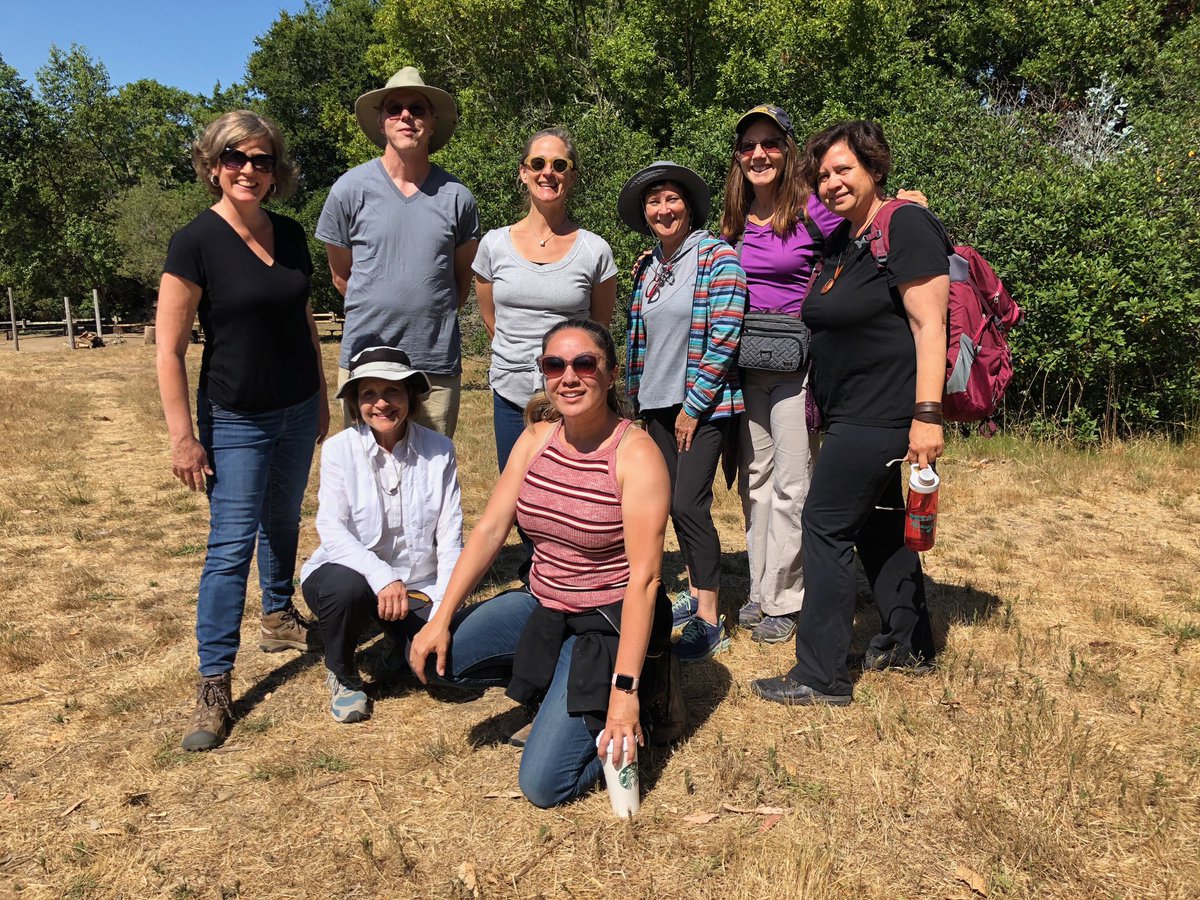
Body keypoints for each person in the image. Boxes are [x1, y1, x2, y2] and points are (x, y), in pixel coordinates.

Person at [409, 320, 674, 808]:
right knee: (435, 660)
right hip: (544, 605)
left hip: (605, 623)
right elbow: (490, 530)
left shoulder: (636, 456)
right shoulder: (535, 439)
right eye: (555, 364)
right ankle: (558, 687)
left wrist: (625, 692)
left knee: (543, 785)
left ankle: (642, 693)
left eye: (584, 363)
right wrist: (440, 618)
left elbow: (645, 580)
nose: (568, 376)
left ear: (611, 374)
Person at [751, 120, 949, 707]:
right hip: (851, 412)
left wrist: (928, 416)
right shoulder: (848, 239)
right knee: (877, 525)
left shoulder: (904, 226)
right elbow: (798, 213)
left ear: (875, 169)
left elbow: (929, 324)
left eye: (845, 170)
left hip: (883, 412)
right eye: (824, 174)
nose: (832, 183)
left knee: (825, 524)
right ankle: (909, 642)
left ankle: (821, 674)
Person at [156, 110, 329, 751]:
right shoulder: (194, 241)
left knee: (283, 519)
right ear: (212, 164)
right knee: (230, 547)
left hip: (294, 406)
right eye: (234, 157)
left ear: (276, 169)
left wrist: (318, 394)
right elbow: (169, 350)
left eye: (261, 159)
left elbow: (304, 319)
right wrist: (183, 436)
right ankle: (213, 683)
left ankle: (279, 613)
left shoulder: (288, 234)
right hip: (234, 416)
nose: (248, 169)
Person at [719, 105, 844, 645]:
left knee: (794, 483)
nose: (759, 154)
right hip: (747, 365)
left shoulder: (814, 211)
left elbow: (864, 226)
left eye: (769, 143)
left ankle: (786, 599)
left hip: (798, 366)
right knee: (757, 482)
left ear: (787, 149)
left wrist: (905, 205)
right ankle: (759, 589)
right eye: (749, 146)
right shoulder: (732, 221)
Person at [473, 128, 617, 579]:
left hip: (569, 394)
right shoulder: (493, 245)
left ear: (571, 177)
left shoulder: (594, 251)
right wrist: (519, 359)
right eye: (538, 164)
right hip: (511, 391)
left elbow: (598, 329)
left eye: (559, 165)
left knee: (567, 489)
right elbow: (491, 317)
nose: (547, 173)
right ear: (523, 173)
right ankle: (538, 565)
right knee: (517, 490)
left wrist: (564, 372)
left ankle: (571, 569)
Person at [619, 161, 747, 662]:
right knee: (666, 504)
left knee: (689, 504)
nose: (663, 208)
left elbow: (725, 335)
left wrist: (693, 407)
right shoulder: (649, 267)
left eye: (672, 199)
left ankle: (711, 619)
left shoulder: (718, 257)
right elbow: (641, 341)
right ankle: (693, 593)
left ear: (689, 207)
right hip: (654, 405)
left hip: (703, 406)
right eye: (654, 201)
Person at [299, 347, 464, 723]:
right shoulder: (340, 450)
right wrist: (382, 575)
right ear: (356, 403)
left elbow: (450, 534)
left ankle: (397, 642)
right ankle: (342, 674)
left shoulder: (439, 450)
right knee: (346, 587)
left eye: (393, 391)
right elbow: (330, 527)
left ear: (410, 397)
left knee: (450, 666)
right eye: (369, 394)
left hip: (419, 583)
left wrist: (442, 610)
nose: (382, 404)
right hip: (351, 578)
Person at [317, 67, 480, 437]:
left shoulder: (458, 198)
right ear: (381, 121)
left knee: (430, 476)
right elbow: (342, 276)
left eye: (417, 109)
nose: (406, 115)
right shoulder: (348, 190)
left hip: (433, 365)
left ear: (433, 122)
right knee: (366, 480)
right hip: (365, 365)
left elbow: (459, 283)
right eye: (395, 108)